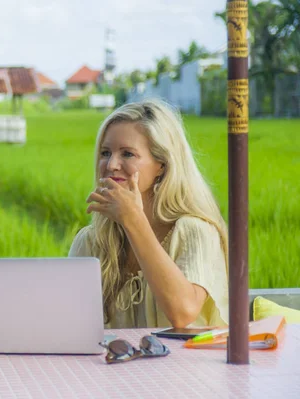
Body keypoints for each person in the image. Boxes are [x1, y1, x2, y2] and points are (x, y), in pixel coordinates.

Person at [69, 99, 228, 329]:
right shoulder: (91, 242)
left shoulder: (195, 231)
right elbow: (68, 321)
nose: (112, 164)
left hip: (187, 365)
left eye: (128, 154)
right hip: (115, 364)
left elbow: (182, 313)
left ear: (161, 164)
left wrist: (133, 220)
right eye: (105, 152)